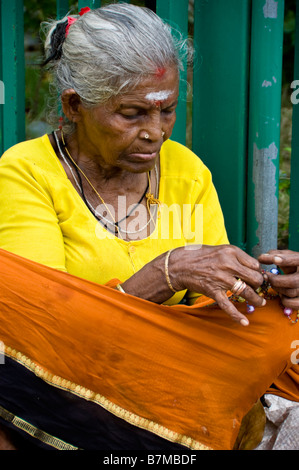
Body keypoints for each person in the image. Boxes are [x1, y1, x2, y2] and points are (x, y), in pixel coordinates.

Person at [0, 3, 297, 451]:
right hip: (67, 394)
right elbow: (37, 338)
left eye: (168, 111)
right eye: (133, 113)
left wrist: (262, 289)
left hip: (172, 384)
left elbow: (209, 314)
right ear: (75, 105)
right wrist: (165, 274)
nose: (156, 133)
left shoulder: (185, 171)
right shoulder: (27, 173)